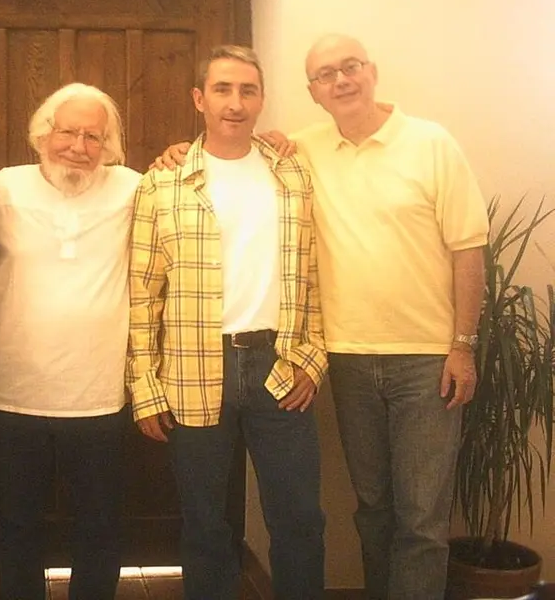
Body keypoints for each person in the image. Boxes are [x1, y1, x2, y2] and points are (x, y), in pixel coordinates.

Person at [157, 34, 489, 600]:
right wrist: (177, 151)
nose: (341, 80)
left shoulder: (429, 143)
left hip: (423, 359)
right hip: (348, 359)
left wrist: (462, 345)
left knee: (421, 521)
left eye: (350, 67)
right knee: (375, 510)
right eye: (325, 74)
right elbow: (235, 155)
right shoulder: (298, 152)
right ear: (311, 91)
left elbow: (469, 249)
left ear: (372, 70)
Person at [128, 45, 326, 600]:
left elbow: (315, 272)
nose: (235, 103)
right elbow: (142, 295)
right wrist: (145, 388)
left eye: (248, 90)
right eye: (222, 89)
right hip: (192, 371)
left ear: (261, 99)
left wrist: (312, 359)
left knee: (299, 519)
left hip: (279, 367)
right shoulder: (161, 183)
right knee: (204, 525)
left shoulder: (292, 173)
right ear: (199, 98)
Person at [0, 83, 140, 600]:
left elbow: (198, 191)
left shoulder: (135, 188)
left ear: (109, 145)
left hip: (99, 395)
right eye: (68, 131)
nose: (79, 146)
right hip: (11, 392)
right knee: (17, 528)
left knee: (100, 527)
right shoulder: (1, 189)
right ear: (43, 134)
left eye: (94, 136)